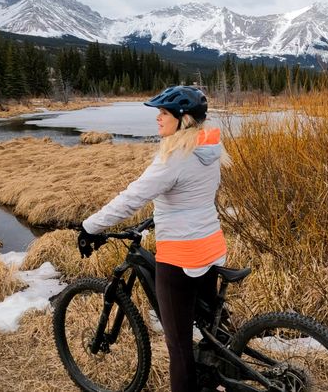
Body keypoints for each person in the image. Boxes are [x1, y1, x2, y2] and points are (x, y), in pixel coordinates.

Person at [79, 85, 227, 392]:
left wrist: (90, 226)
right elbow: (193, 198)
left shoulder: (175, 157)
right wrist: (159, 216)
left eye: (163, 113)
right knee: (212, 326)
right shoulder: (209, 148)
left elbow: (132, 198)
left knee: (179, 346)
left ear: (182, 119)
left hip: (182, 257)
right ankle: (224, 376)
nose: (158, 118)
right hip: (211, 247)